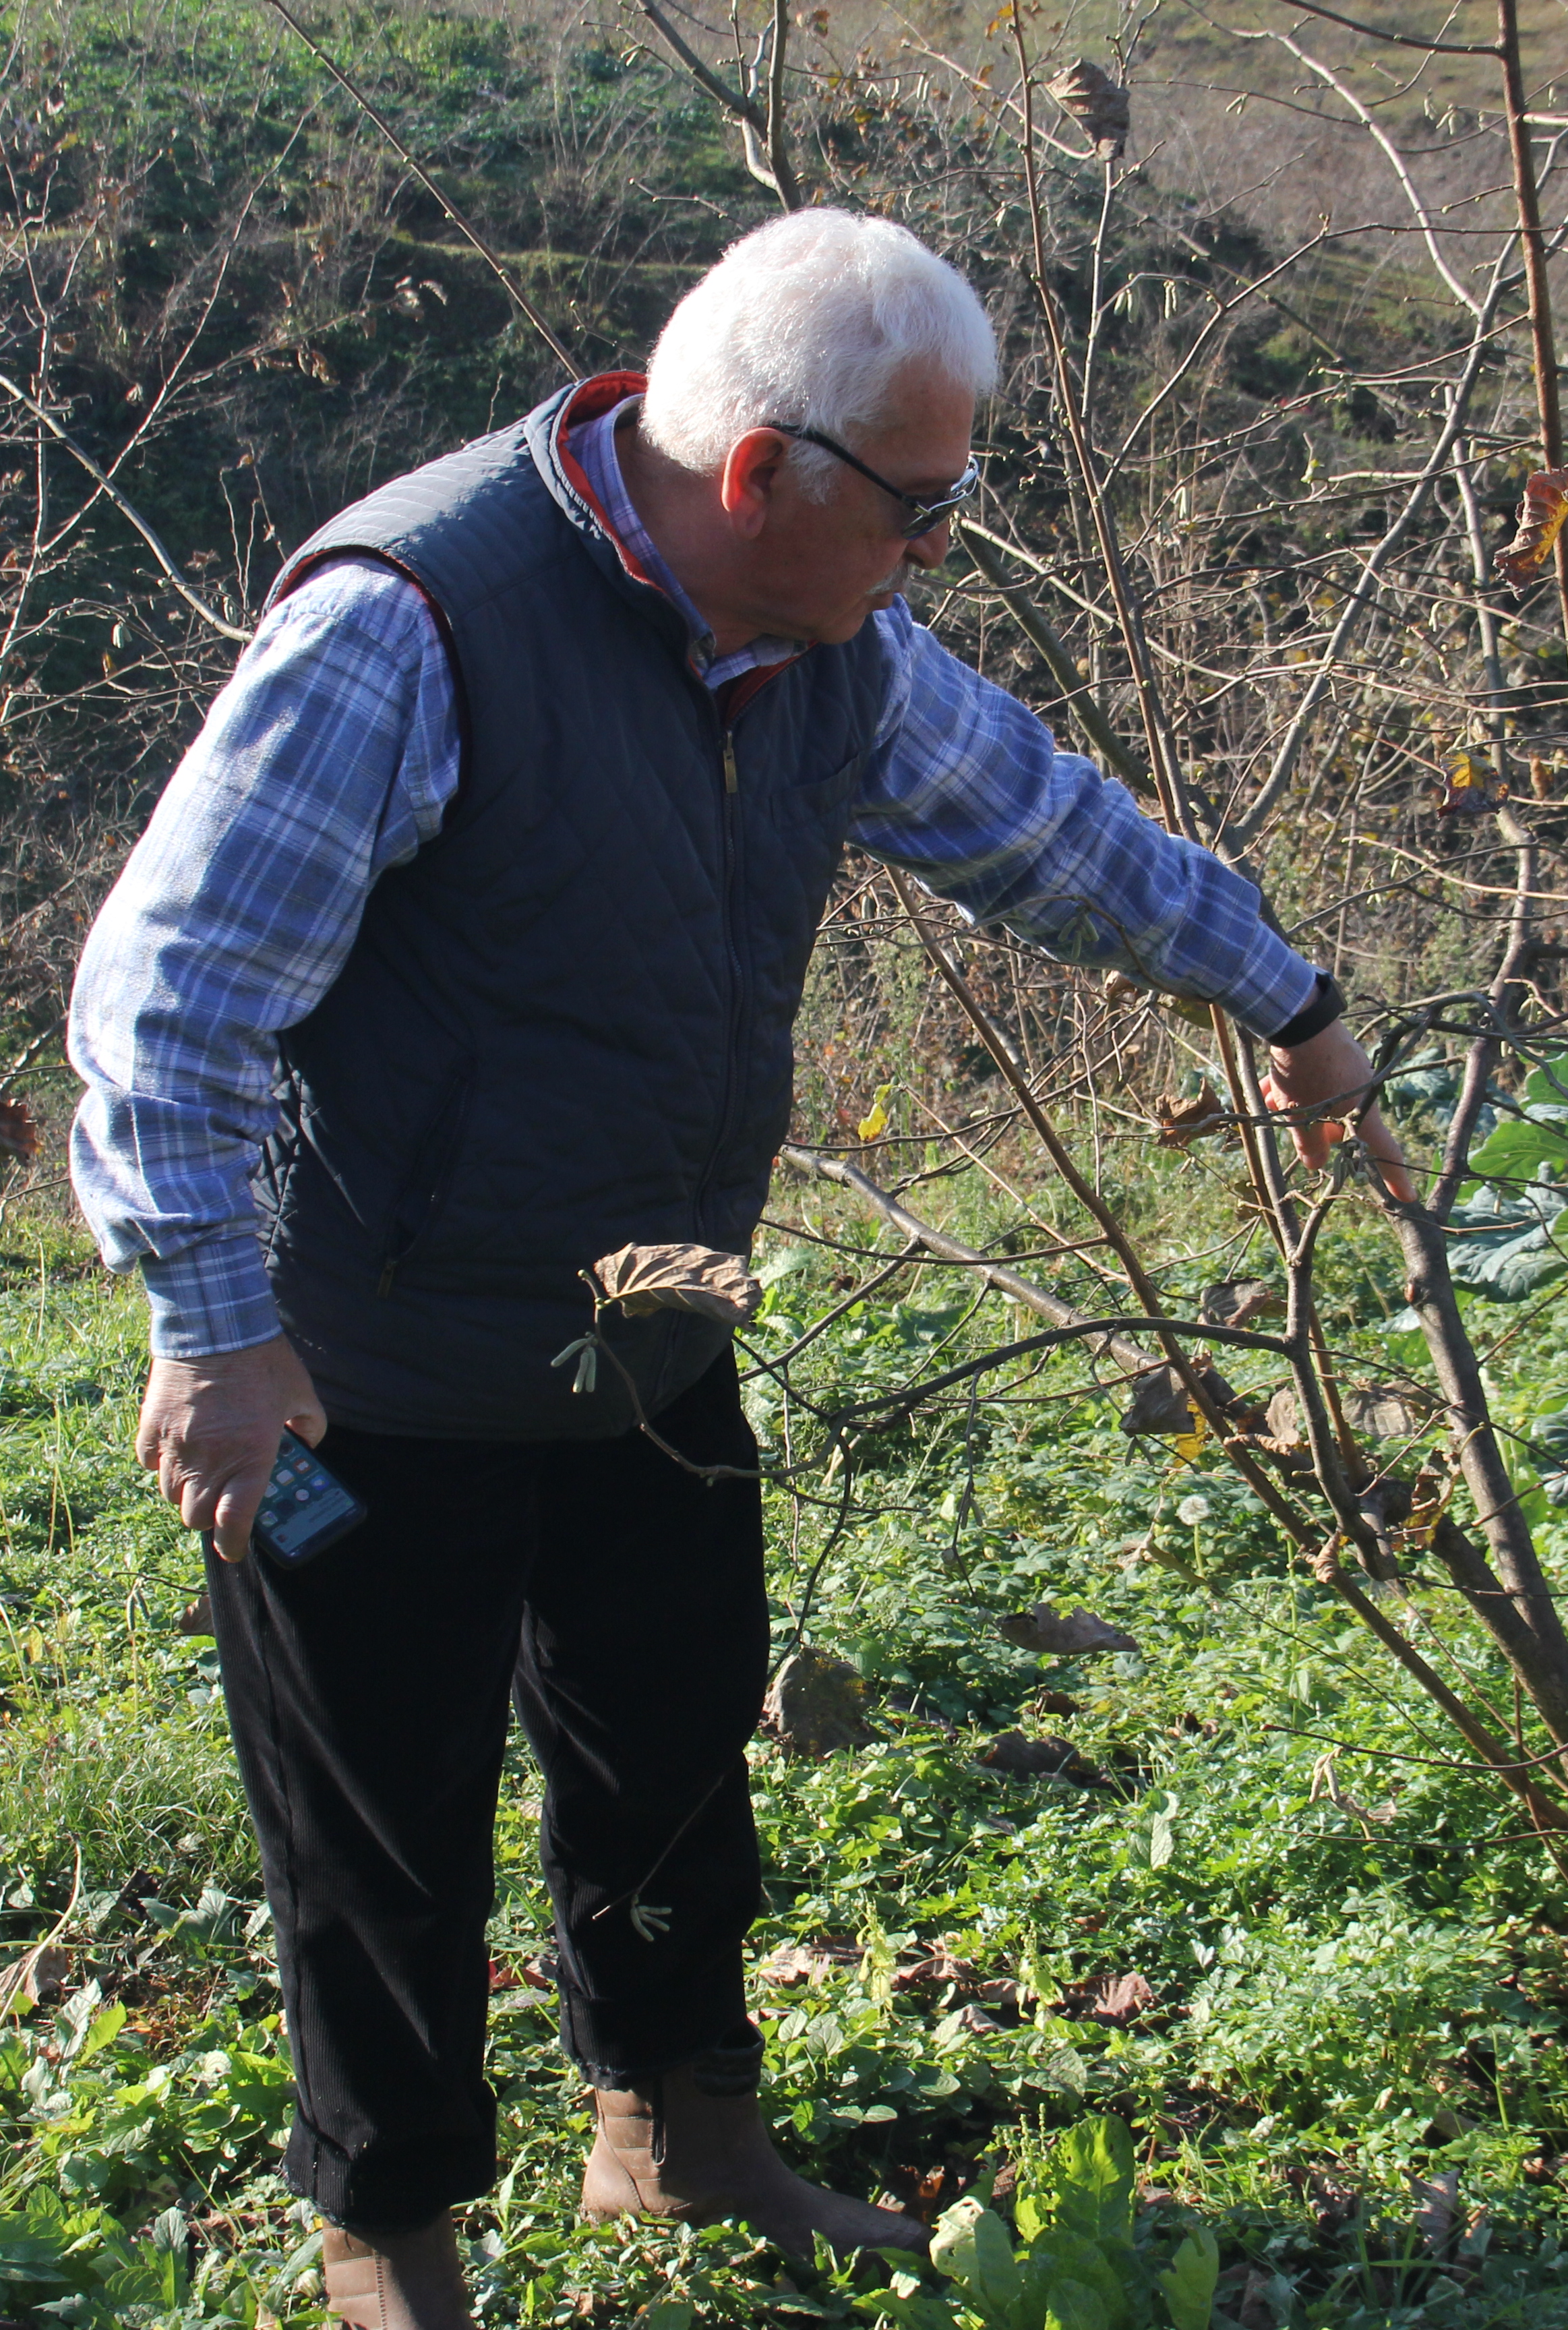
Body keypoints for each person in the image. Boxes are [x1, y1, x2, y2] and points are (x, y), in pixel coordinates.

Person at [67, 208, 1403, 2329]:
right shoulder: (415, 622)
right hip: (364, 1370)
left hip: (654, 1326)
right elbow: (173, 1001)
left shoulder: (826, 650)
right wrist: (218, 1337)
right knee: (384, 1827)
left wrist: (1293, 1002)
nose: (941, 549)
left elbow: (1050, 827)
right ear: (766, 474)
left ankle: (677, 2144)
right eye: (923, 505)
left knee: (671, 1755)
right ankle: (388, 2237)